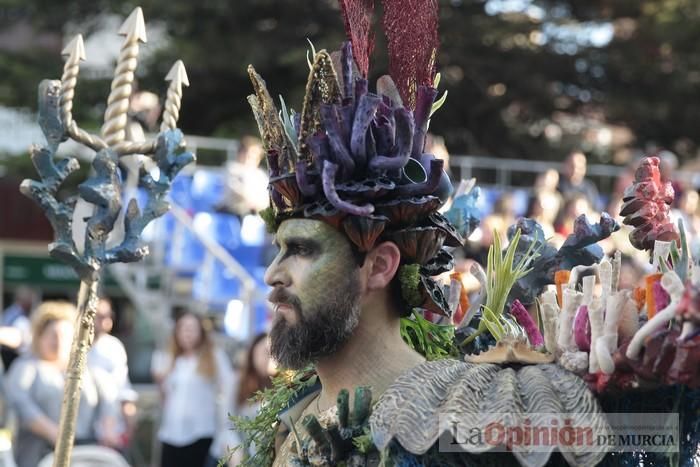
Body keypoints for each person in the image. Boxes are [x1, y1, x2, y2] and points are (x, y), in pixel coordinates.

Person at [3, 301, 121, 467]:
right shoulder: (26, 367)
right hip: (40, 454)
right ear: (40, 336)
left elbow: (109, 398)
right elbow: (22, 405)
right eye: (53, 335)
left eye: (64, 336)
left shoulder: (87, 369)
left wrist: (109, 427)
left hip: (84, 453)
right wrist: (56, 435)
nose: (58, 342)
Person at [152, 310, 234, 467]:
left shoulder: (214, 357)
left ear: (201, 332)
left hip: (200, 433)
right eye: (183, 328)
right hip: (171, 433)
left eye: (192, 329)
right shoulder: (172, 359)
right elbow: (166, 399)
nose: (187, 333)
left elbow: (228, 388)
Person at [87, 297, 138, 451]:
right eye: (100, 316)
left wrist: (129, 428)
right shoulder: (70, 344)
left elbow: (122, 390)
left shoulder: (114, 346)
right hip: (81, 431)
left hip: (111, 435)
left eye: (109, 315)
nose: (106, 320)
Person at [0, 286, 36, 369]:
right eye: (29, 299)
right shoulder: (16, 314)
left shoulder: (14, 312)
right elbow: (17, 336)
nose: (31, 302)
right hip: (11, 355)